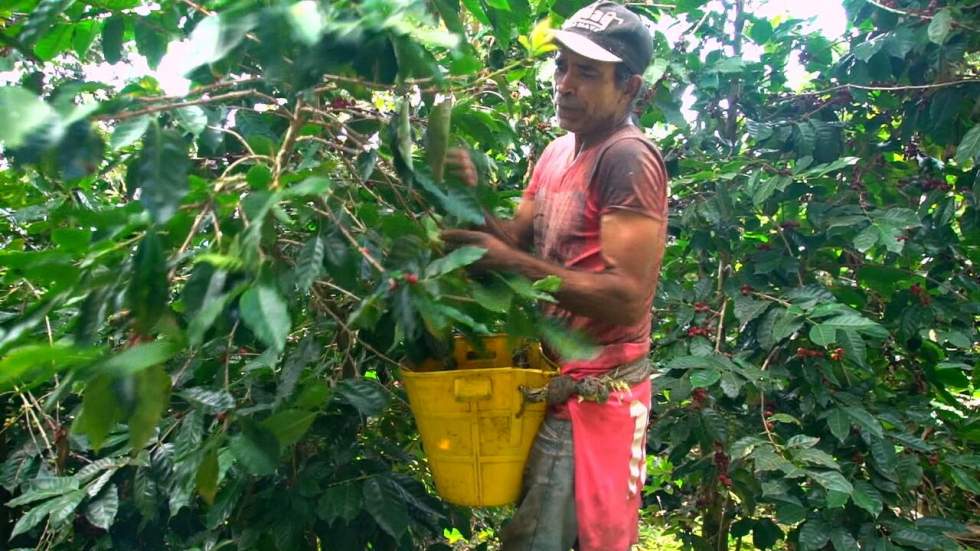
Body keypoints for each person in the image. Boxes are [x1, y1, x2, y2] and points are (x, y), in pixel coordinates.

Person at [441, 2, 669, 550]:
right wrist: (466, 196)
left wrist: (507, 261)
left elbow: (626, 299)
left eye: (586, 72)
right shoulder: (556, 152)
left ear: (628, 86)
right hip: (549, 381)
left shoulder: (628, 159)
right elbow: (515, 241)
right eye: (561, 67)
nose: (564, 84)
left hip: (591, 396)